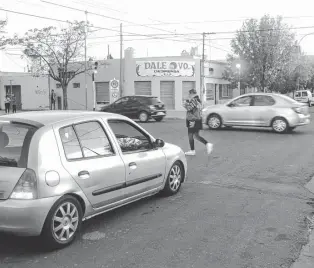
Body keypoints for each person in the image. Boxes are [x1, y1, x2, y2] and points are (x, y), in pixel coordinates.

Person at [183, 89, 213, 156]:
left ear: (191, 93)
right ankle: (207, 144)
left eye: (189, 94)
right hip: (197, 119)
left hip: (192, 120)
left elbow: (189, 108)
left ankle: (193, 150)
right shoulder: (199, 100)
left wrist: (185, 103)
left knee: (191, 135)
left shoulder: (194, 100)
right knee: (195, 135)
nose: (189, 95)